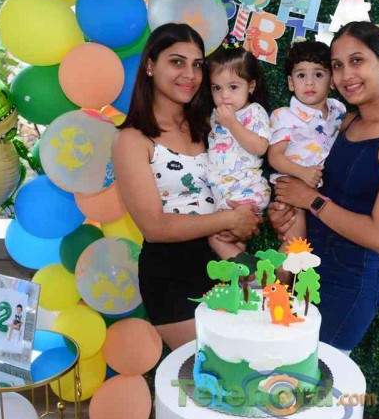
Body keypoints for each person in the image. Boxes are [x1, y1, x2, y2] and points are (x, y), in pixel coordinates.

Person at [270, 21, 379, 354]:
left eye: (357, 61)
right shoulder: (345, 121)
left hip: (347, 286)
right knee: (280, 371)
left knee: (314, 379)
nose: (346, 75)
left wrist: (311, 201)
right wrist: (285, 211)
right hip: (304, 270)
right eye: (337, 65)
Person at [113, 23, 262, 350]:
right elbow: (154, 227)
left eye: (197, 65)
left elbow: (239, 178)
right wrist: (229, 219)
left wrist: (253, 215)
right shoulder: (132, 139)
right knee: (210, 373)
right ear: (150, 66)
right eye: (177, 62)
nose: (190, 74)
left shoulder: (210, 127)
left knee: (249, 365)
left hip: (226, 263)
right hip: (174, 276)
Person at [267, 40, 346, 261]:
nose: (309, 82)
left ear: (332, 81)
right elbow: (274, 157)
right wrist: (302, 173)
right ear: (291, 83)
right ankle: (266, 278)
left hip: (320, 190)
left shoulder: (338, 111)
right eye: (301, 75)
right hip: (290, 185)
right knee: (296, 244)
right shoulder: (284, 115)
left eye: (318, 74)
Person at [205, 36, 271, 259]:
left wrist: (232, 123)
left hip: (246, 191)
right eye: (217, 88)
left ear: (250, 86)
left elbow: (260, 147)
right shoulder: (215, 115)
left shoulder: (255, 112)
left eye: (233, 87)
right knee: (231, 242)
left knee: (215, 237)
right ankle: (243, 276)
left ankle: (250, 274)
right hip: (223, 193)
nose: (224, 95)